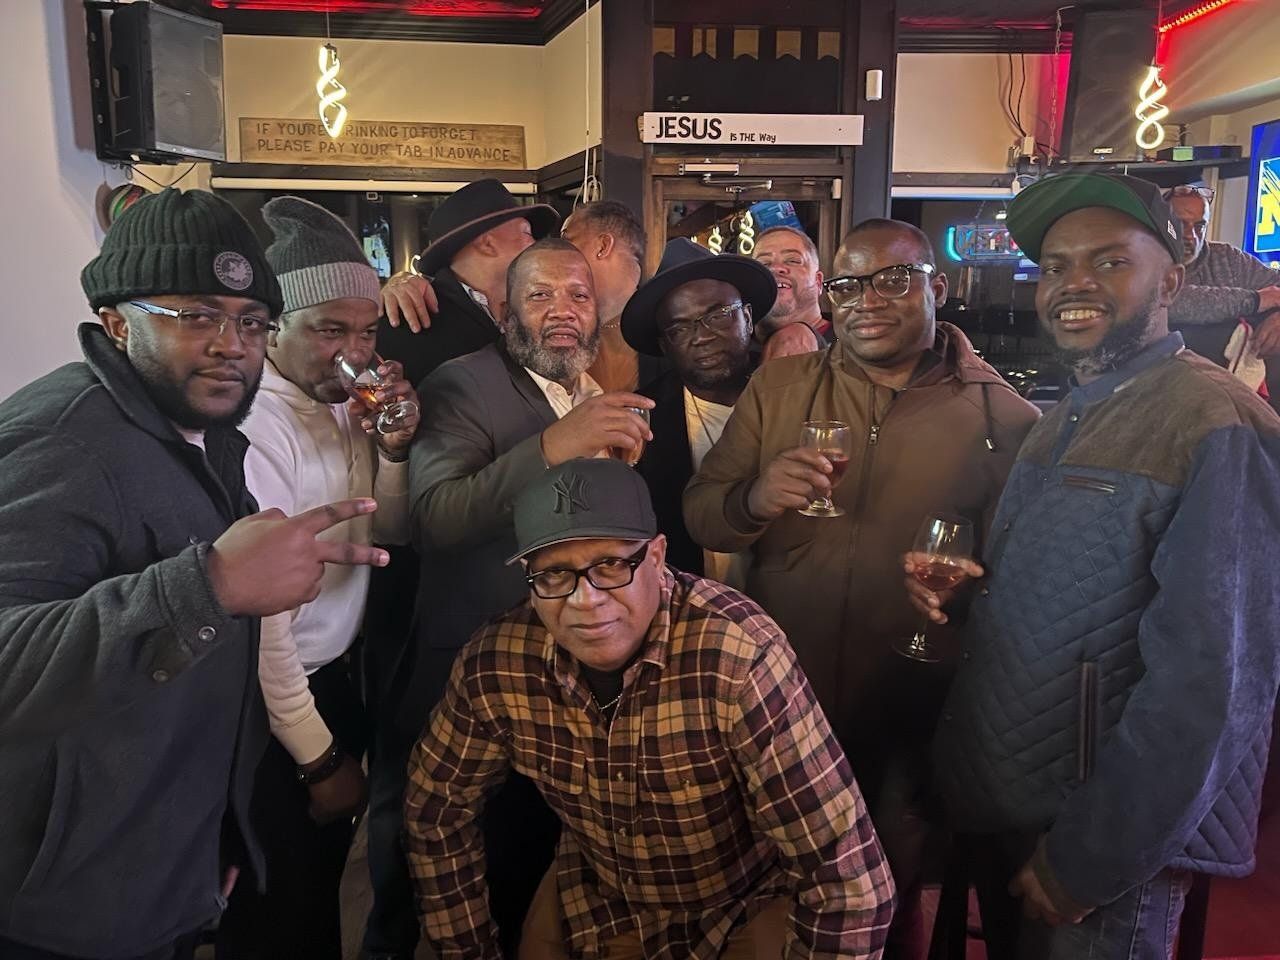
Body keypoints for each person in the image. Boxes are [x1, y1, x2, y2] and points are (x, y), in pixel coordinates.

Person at [0, 188, 390, 960]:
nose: (230, 345)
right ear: (117, 320)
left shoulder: (202, 429)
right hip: (66, 902)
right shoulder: (63, 442)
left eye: (250, 322)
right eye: (196, 315)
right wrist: (208, 585)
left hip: (163, 862)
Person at [920, 173, 1280, 959]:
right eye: (1056, 266)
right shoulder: (1069, 413)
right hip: (1018, 799)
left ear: (1172, 281)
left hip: (1102, 844)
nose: (1074, 284)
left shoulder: (1216, 421)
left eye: (1110, 262)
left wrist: (1093, 857)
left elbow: (1215, 682)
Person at [684, 218, 1039, 958]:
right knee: (766, 893)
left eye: (894, 280)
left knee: (882, 897)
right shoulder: (779, 388)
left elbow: (1031, 585)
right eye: (848, 284)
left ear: (937, 288)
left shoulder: (1005, 419)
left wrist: (969, 596)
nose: (867, 300)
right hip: (777, 700)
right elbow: (702, 515)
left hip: (912, 704)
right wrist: (754, 498)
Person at [404, 456, 897, 960]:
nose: (586, 600)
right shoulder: (497, 665)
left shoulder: (736, 655)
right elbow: (435, 808)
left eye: (611, 565)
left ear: (658, 557)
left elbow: (850, 883)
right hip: (597, 900)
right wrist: (466, 950)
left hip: (744, 905)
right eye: (554, 574)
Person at [374, 238, 653, 956]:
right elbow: (435, 519)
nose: (562, 310)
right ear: (505, 311)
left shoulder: (592, 392)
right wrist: (559, 446)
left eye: (578, 296)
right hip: (464, 663)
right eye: (541, 295)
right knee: (435, 875)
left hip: (563, 675)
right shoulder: (460, 384)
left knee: (534, 869)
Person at [213, 197, 418, 959]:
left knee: (319, 886)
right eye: (329, 330)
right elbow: (264, 622)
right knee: (280, 911)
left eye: (366, 332)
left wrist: (394, 450)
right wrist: (319, 757)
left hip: (336, 673)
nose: (352, 352)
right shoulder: (256, 428)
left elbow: (386, 531)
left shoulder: (336, 402)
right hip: (274, 704)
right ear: (274, 329)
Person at [365, 178, 558, 957]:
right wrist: (395, 288)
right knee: (416, 793)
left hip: (487, 597)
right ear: (486, 244)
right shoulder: (420, 318)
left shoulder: (518, 324)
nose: (537, 261)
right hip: (417, 589)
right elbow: (428, 503)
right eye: (524, 240)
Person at [621, 238, 774, 581]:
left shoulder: (788, 392)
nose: (701, 337)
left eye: (717, 315)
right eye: (679, 328)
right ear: (665, 345)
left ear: (747, 318)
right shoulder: (642, 419)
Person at [377, 178, 560, 388]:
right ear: (487, 244)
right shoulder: (409, 321)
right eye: (527, 233)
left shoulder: (534, 311)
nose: (536, 245)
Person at [1165, 183, 1280, 387]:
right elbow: (1169, 301)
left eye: (1199, 226)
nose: (1191, 236)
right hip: (1168, 386)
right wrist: (1256, 300)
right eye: (1180, 225)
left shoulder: (1228, 258)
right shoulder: (1146, 260)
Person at [560, 200, 665, 392]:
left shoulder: (669, 330)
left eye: (567, 244)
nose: (557, 256)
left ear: (603, 246)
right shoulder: (554, 326)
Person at [751, 225, 831, 360]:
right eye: (764, 263)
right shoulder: (733, 352)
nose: (776, 268)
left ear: (818, 282)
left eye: (792, 261)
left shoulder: (851, 346)